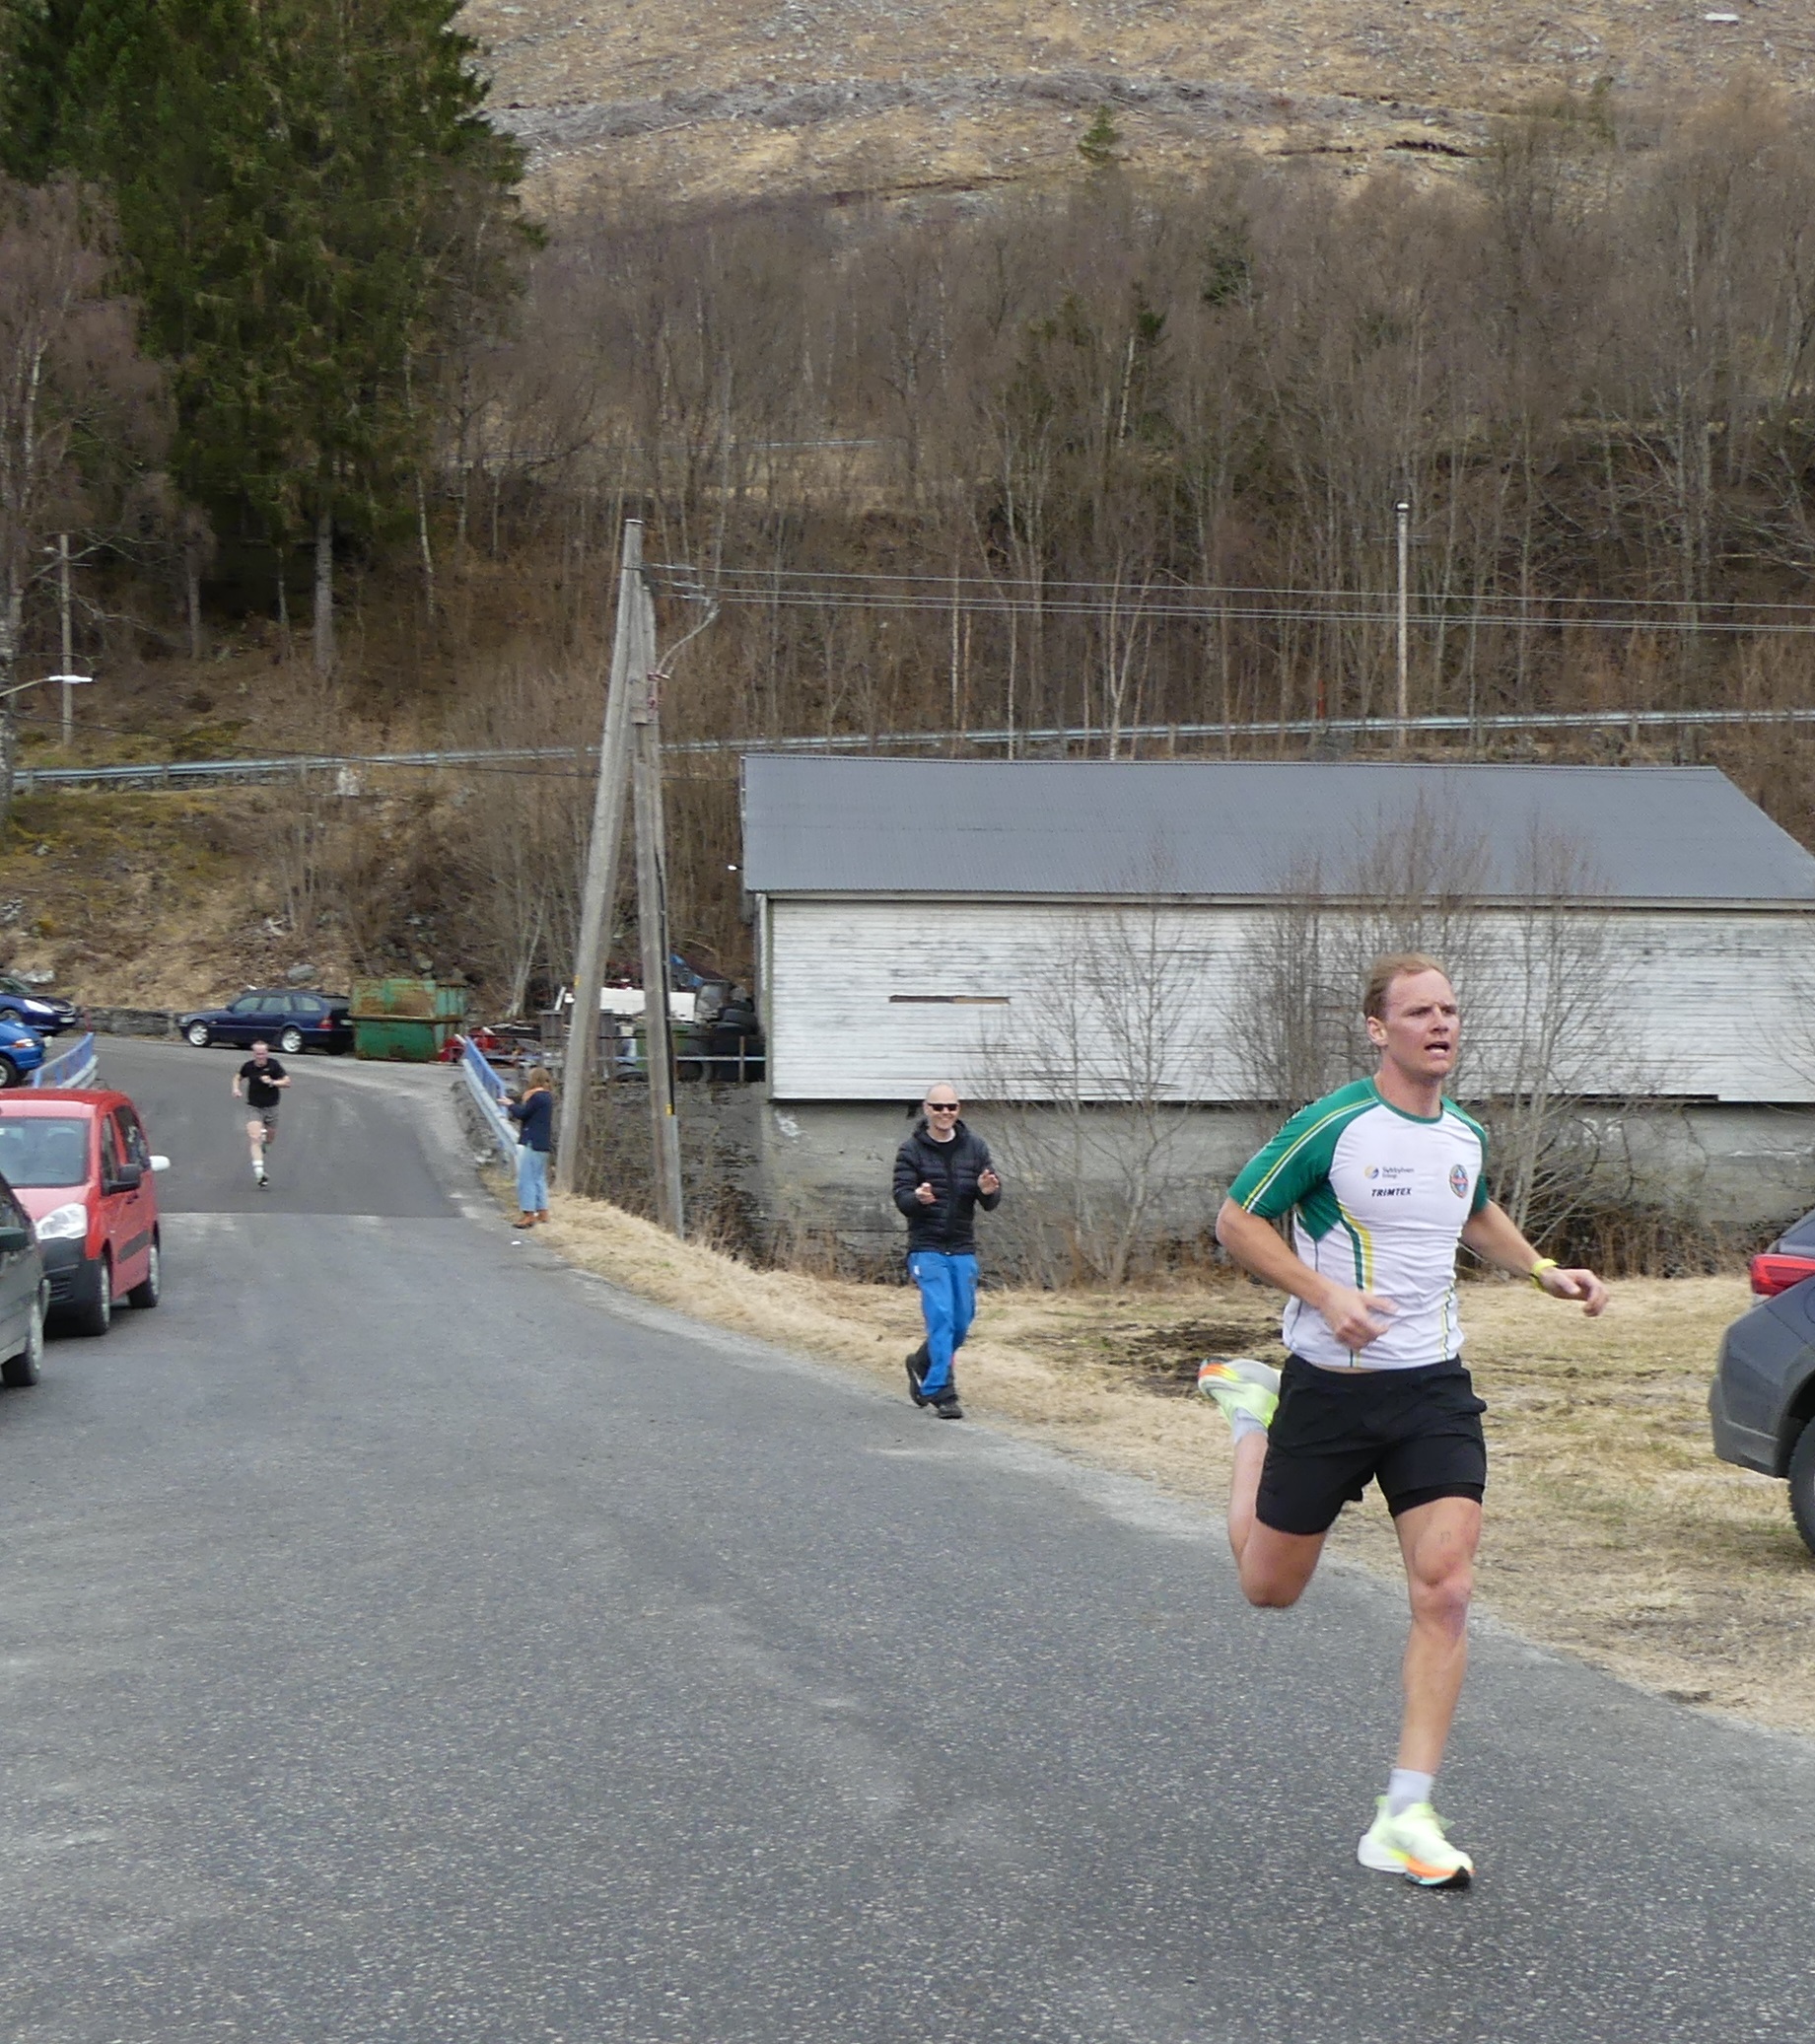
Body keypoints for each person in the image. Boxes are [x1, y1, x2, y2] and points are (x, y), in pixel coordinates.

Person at [1199, 953, 1609, 1889]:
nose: (1440, 1023)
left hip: (1430, 1388)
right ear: (1376, 1029)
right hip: (1329, 1384)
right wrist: (1320, 1290)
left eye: (1450, 1010)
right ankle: (1249, 1422)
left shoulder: (1463, 1133)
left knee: (1447, 1587)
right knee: (1269, 1587)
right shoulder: (1331, 1127)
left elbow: (1473, 1213)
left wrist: (1542, 1268)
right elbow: (1235, 1220)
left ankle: (1404, 1811)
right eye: (1418, 1010)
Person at [892, 1083, 1002, 1421]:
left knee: (962, 1322)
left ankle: (922, 1362)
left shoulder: (975, 1148)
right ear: (926, 1109)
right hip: (927, 1248)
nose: (945, 1113)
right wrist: (918, 1198)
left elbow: (991, 1200)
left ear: (959, 1109)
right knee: (941, 1317)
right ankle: (941, 1390)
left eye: (951, 1107)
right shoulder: (911, 1151)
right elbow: (901, 1199)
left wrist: (988, 1191)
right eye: (938, 1107)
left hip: (962, 1247)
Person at [234, 1040, 290, 1187]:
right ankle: (259, 1173)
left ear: (267, 1053)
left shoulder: (274, 1065)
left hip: (271, 1107)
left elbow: (287, 1082)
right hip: (254, 1107)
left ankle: (265, 1146)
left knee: (270, 1137)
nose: (260, 1056)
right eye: (257, 1054)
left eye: (263, 1053)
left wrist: (271, 1081)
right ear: (254, 1054)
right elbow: (237, 1077)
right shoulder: (248, 1066)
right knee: (255, 1137)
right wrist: (236, 1089)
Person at [507, 1066, 554, 1228]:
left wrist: (510, 1105)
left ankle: (529, 1214)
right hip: (543, 1143)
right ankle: (543, 1211)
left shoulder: (536, 1097)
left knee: (526, 1179)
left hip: (532, 1142)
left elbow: (522, 1113)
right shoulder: (548, 1097)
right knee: (538, 1178)